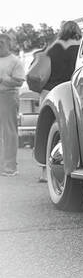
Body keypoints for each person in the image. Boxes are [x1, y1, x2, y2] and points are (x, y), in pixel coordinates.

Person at [38, 21, 82, 181]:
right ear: (77, 31)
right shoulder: (81, 47)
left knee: (48, 132)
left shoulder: (53, 48)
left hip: (49, 92)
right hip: (71, 91)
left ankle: (45, 172)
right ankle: (74, 166)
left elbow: (42, 72)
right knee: (71, 129)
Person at [0, 34, 25, 177]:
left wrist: (3, 79)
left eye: (1, 42)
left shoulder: (15, 61)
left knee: (9, 132)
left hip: (8, 96)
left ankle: (10, 167)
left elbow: (19, 81)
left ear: (8, 44)